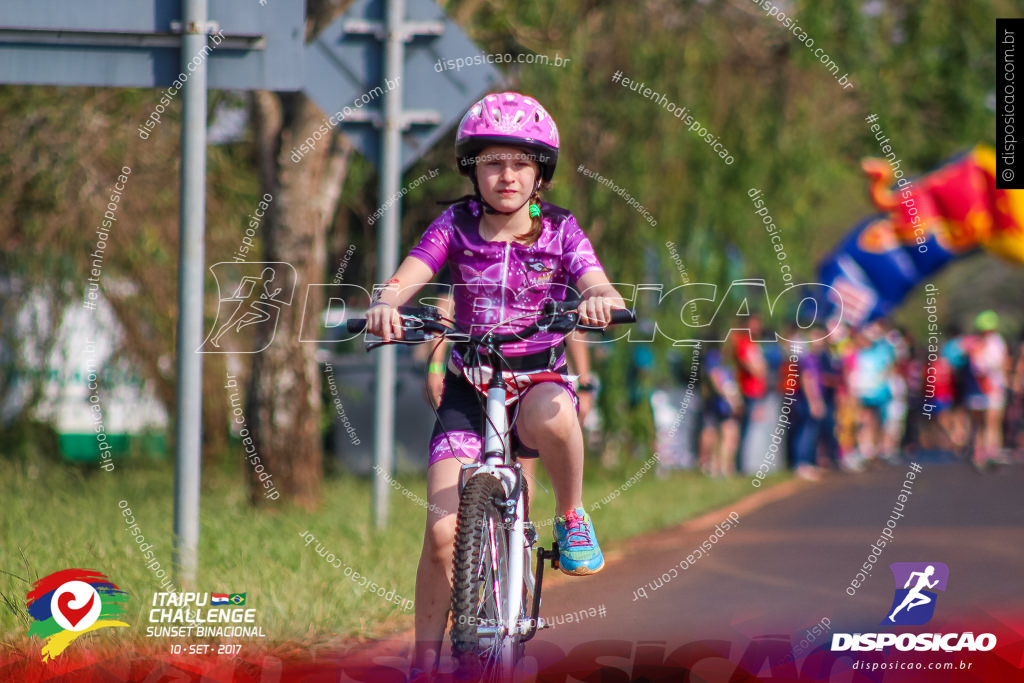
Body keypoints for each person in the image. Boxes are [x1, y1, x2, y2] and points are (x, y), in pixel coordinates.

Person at [363, 92, 627, 676]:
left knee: (556, 414)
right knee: (441, 536)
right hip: (470, 390)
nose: (505, 175)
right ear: (471, 170)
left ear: (540, 174)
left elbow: (595, 281)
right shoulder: (453, 224)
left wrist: (602, 301)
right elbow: (410, 276)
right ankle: (424, 662)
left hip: (537, 382)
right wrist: (386, 302)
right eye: (491, 162)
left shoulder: (560, 229)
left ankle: (574, 515)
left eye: (519, 162)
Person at [962, 311, 1009, 467]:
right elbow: (1001, 364)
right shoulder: (996, 342)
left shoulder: (973, 343)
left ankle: (980, 453)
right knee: (991, 424)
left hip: (977, 388)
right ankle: (990, 453)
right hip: (991, 387)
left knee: (980, 424)